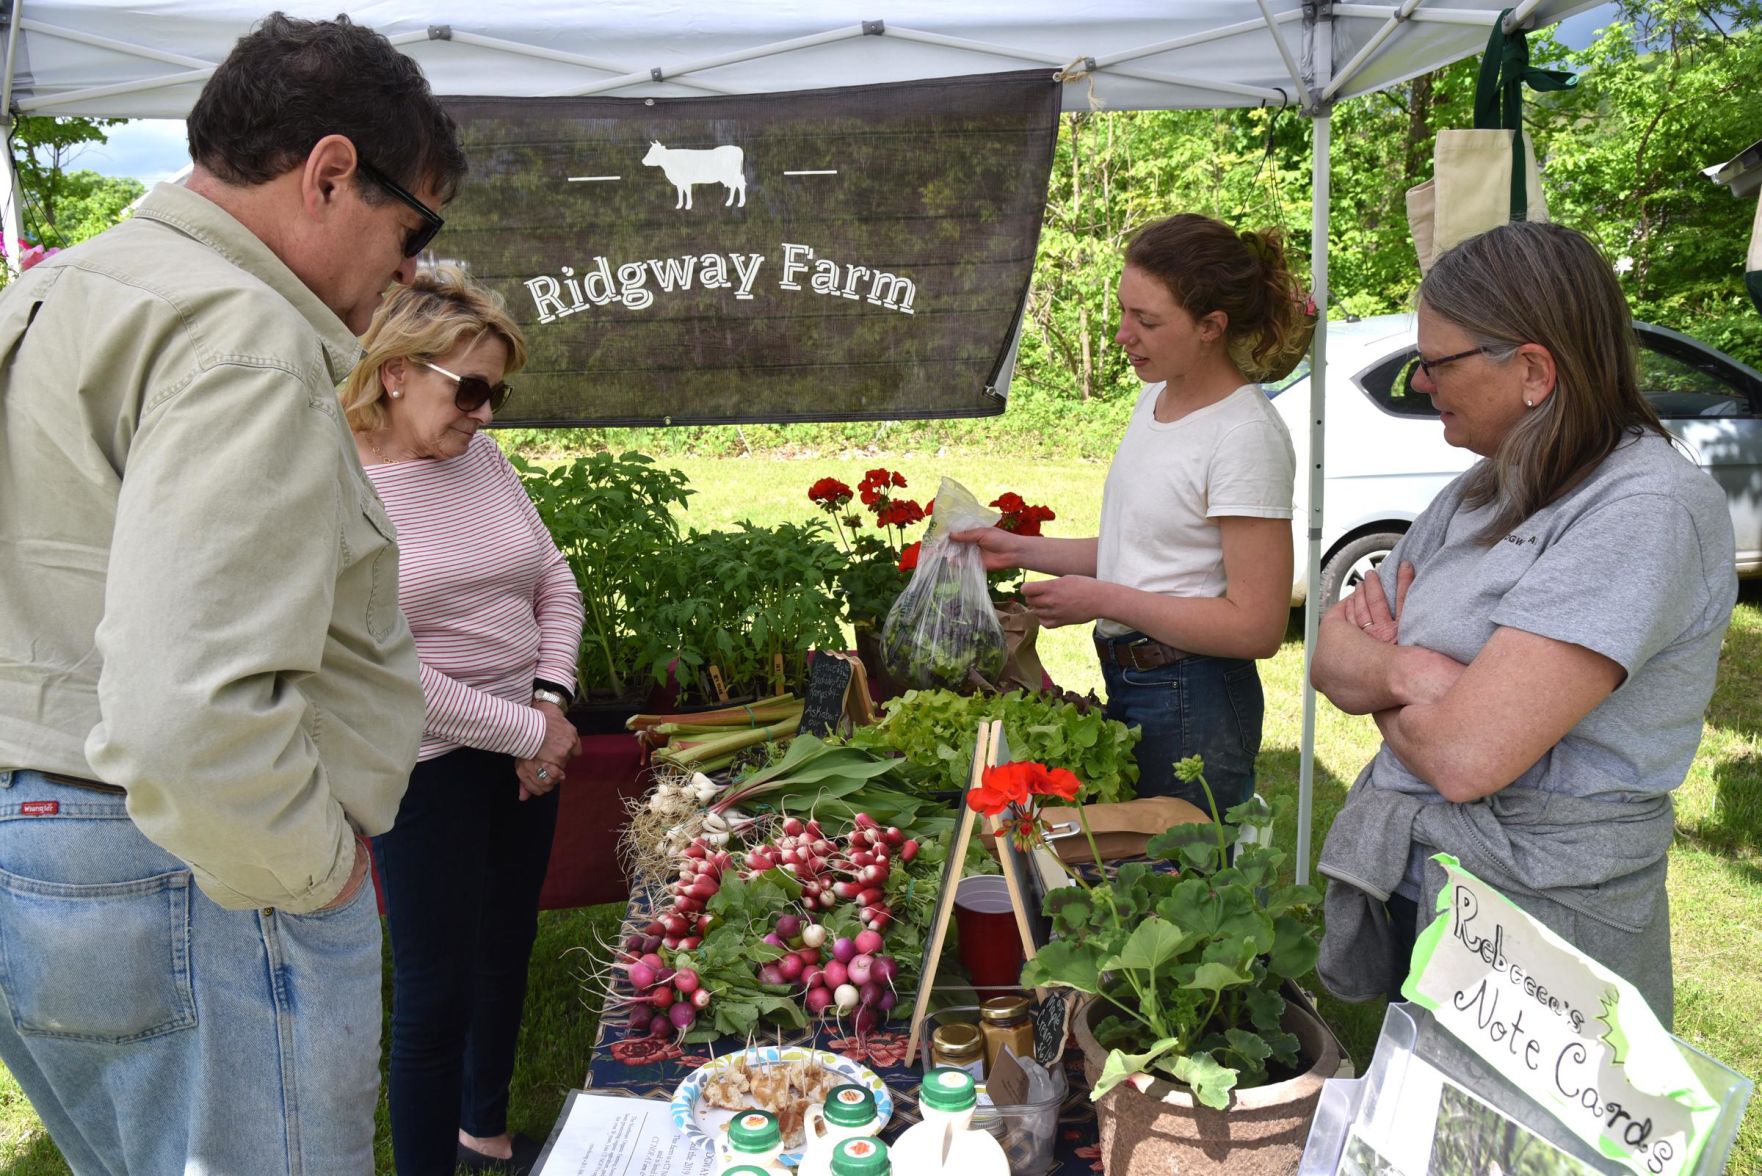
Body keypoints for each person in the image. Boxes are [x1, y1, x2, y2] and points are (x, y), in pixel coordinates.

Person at [0, 12, 465, 1173]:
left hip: (48, 850)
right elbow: (183, 712)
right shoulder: (240, 332)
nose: (410, 269)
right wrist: (312, 871)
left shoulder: (63, 294)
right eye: (414, 226)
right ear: (331, 172)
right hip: (185, 864)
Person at [1310, 221, 1736, 1026]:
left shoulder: (1644, 511)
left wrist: (1392, 676)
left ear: (1534, 369)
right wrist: (1412, 676)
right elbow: (1331, 652)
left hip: (1544, 927)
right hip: (1436, 886)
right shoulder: (1483, 488)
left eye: (1436, 364)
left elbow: (1466, 759)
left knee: (1513, 1152)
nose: (1422, 382)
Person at [341, 266, 586, 1175]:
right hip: (429, 763)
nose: (486, 413)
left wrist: (550, 702)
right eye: (471, 388)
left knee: (507, 942)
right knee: (435, 995)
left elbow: (551, 579)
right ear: (397, 371)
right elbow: (374, 664)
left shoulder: (477, 457)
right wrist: (530, 734)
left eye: (498, 391)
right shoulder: (341, 485)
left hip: (529, 743)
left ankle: (483, 1128)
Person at [955, 213, 1304, 809]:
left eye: (1146, 320)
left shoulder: (1245, 434)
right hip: (1140, 679)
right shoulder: (1156, 398)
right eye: (1123, 311)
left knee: (1181, 878)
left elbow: (1258, 626)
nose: (1123, 335)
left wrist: (1102, 600)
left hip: (1194, 695)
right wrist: (1019, 549)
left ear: (1210, 327)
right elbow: (1143, 551)